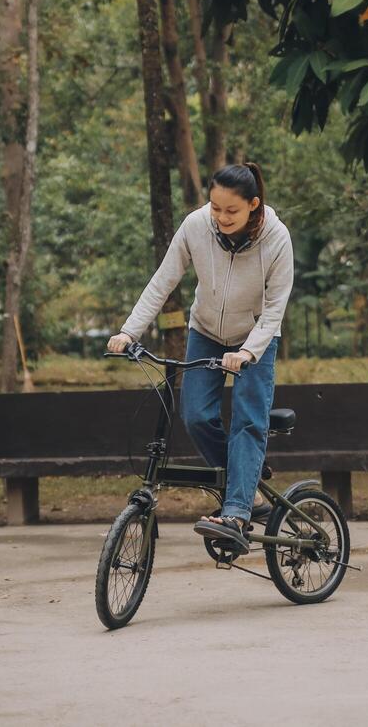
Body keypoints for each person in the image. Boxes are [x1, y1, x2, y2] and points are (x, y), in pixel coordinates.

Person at [107, 162, 294, 553]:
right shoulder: (195, 226)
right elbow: (164, 280)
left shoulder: (276, 238)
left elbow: (276, 307)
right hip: (206, 331)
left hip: (255, 337)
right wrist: (129, 331)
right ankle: (249, 487)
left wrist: (247, 351)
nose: (221, 217)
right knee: (195, 415)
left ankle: (237, 512)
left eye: (231, 211)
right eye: (216, 208)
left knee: (247, 421)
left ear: (253, 205)